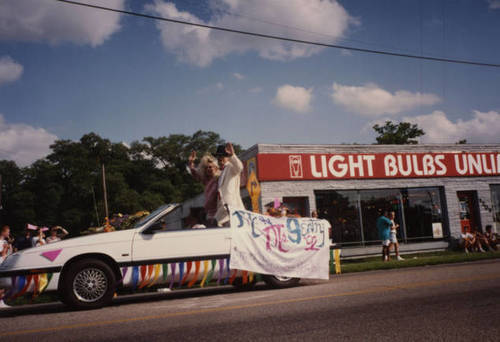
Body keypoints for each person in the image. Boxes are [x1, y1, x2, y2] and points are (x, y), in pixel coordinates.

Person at [214, 142, 244, 227]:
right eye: (218, 156)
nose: (220, 158)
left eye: (222, 156)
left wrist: (232, 155)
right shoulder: (221, 173)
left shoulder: (231, 167)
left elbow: (240, 167)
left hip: (233, 210)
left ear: (227, 157)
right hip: (223, 211)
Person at [188, 151, 221, 226]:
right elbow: (194, 174)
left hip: (220, 213)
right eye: (206, 168)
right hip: (210, 214)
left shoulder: (220, 177)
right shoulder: (206, 180)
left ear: (216, 167)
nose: (209, 169)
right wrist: (191, 162)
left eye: (210, 167)